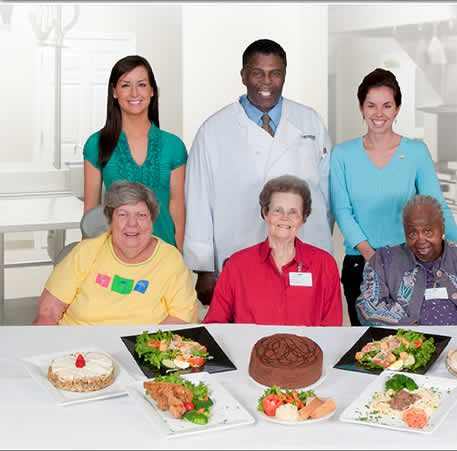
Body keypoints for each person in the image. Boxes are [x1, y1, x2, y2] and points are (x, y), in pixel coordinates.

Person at [184, 39, 333, 306]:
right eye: (257, 73)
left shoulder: (309, 121)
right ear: (243, 75)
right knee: (244, 326)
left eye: (275, 73)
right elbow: (197, 199)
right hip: (237, 247)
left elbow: (326, 192)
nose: (267, 81)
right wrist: (204, 267)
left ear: (284, 75)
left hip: (303, 251)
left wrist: (322, 248)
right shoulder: (214, 130)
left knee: (302, 326)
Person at [330, 67, 457, 326]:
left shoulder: (416, 152)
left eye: (387, 106)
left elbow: (437, 207)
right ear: (361, 107)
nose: (379, 114)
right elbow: (343, 211)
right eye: (371, 105)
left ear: (398, 108)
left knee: (413, 342)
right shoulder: (343, 154)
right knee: (368, 347)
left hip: (412, 263)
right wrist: (372, 255)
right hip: (361, 264)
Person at [33, 181, 198, 326]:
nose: (132, 224)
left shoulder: (170, 259)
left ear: (152, 220)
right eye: (123, 214)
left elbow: (180, 319)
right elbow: (48, 312)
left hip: (141, 350)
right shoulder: (85, 252)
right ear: (110, 219)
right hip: (79, 351)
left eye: (141, 215)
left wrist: (146, 351)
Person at [202, 175, 342, 326]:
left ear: (304, 217)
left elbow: (332, 327)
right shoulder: (237, 264)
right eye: (277, 210)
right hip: (246, 349)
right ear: (265, 213)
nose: (285, 217)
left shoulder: (324, 264)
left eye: (293, 212)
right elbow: (215, 323)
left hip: (308, 349)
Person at [355, 195, 457, 326]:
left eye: (428, 231)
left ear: (442, 228)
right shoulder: (384, 260)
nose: (420, 240)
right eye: (412, 233)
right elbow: (367, 307)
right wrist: (408, 327)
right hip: (410, 352)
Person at [83, 55, 187, 251]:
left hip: (162, 255)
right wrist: (86, 261)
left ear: (152, 90)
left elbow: (178, 210)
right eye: (125, 85)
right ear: (114, 92)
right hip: (113, 255)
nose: (134, 93)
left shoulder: (173, 146)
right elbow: (90, 212)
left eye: (141, 84)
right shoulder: (96, 144)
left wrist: (177, 257)